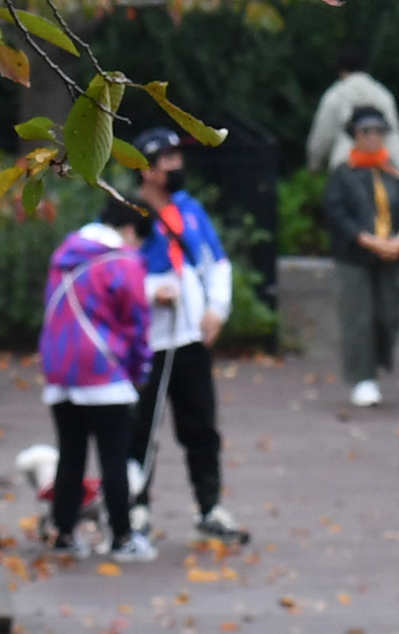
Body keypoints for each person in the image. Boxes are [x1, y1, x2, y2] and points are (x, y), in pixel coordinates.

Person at [126, 128, 249, 543]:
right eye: (167, 159)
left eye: (179, 157)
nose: (177, 165)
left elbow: (217, 262)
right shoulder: (127, 212)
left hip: (190, 339)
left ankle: (209, 506)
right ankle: (135, 505)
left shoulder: (191, 210)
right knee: (141, 427)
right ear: (145, 168)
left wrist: (218, 308)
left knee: (201, 425)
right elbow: (110, 271)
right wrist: (149, 292)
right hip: (147, 343)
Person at [39, 193, 157, 562]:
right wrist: (139, 370)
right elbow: (137, 322)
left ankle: (64, 532)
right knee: (114, 457)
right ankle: (122, 537)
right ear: (129, 229)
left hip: (61, 369)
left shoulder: (65, 255)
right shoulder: (124, 262)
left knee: (70, 455)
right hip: (104, 371)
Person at [323, 106, 399, 407]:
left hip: (392, 255)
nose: (373, 138)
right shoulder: (343, 174)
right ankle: (363, 379)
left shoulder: (395, 172)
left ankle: (376, 364)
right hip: (355, 257)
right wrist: (367, 240)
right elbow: (336, 213)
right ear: (354, 136)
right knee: (358, 318)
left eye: (379, 132)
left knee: (388, 316)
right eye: (366, 132)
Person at [306, 47, 399, 178]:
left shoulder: (334, 95)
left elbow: (322, 136)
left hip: (345, 168)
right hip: (383, 168)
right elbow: (394, 136)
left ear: (341, 70)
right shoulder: (383, 95)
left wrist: (314, 166)